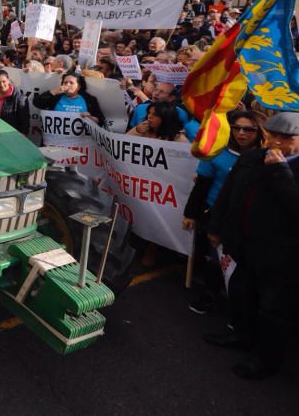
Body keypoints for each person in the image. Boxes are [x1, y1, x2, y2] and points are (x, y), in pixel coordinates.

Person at [206, 112, 299, 380]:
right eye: (272, 135)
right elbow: (228, 193)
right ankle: (242, 336)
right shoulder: (251, 158)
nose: (277, 143)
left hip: (280, 257)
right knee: (241, 295)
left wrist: (280, 172)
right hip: (242, 244)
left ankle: (265, 360)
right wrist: (216, 227)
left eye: (287, 137)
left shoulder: (284, 167)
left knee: (273, 311)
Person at [182, 110, 263, 314]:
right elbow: (202, 185)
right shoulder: (218, 152)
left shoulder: (268, 157)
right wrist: (190, 213)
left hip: (250, 221)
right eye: (237, 128)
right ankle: (210, 295)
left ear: (260, 131)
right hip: (215, 216)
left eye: (249, 129)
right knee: (215, 259)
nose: (241, 133)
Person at [127, 82, 199, 140]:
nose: (156, 93)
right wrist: (137, 130)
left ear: (172, 97)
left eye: (162, 92)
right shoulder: (140, 108)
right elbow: (128, 133)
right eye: (156, 90)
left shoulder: (181, 113)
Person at [33, 72, 106, 125]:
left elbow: (100, 121)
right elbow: (37, 103)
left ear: (79, 87)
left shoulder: (89, 100)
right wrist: (55, 91)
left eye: (71, 83)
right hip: (55, 141)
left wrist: (89, 117)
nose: (68, 85)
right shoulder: (56, 97)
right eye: (65, 82)